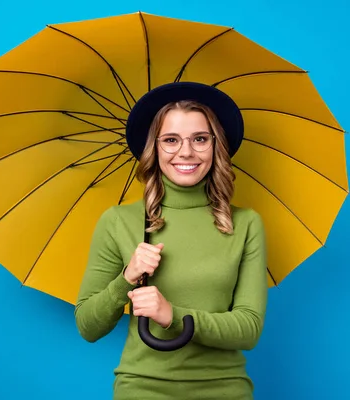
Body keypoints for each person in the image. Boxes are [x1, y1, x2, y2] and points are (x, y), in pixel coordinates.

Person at [75, 82, 268, 399]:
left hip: (224, 390)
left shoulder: (245, 224)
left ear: (216, 145)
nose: (186, 152)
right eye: (171, 140)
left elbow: (248, 329)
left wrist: (172, 316)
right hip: (142, 389)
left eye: (200, 139)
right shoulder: (119, 221)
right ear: (154, 148)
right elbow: (88, 326)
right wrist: (126, 278)